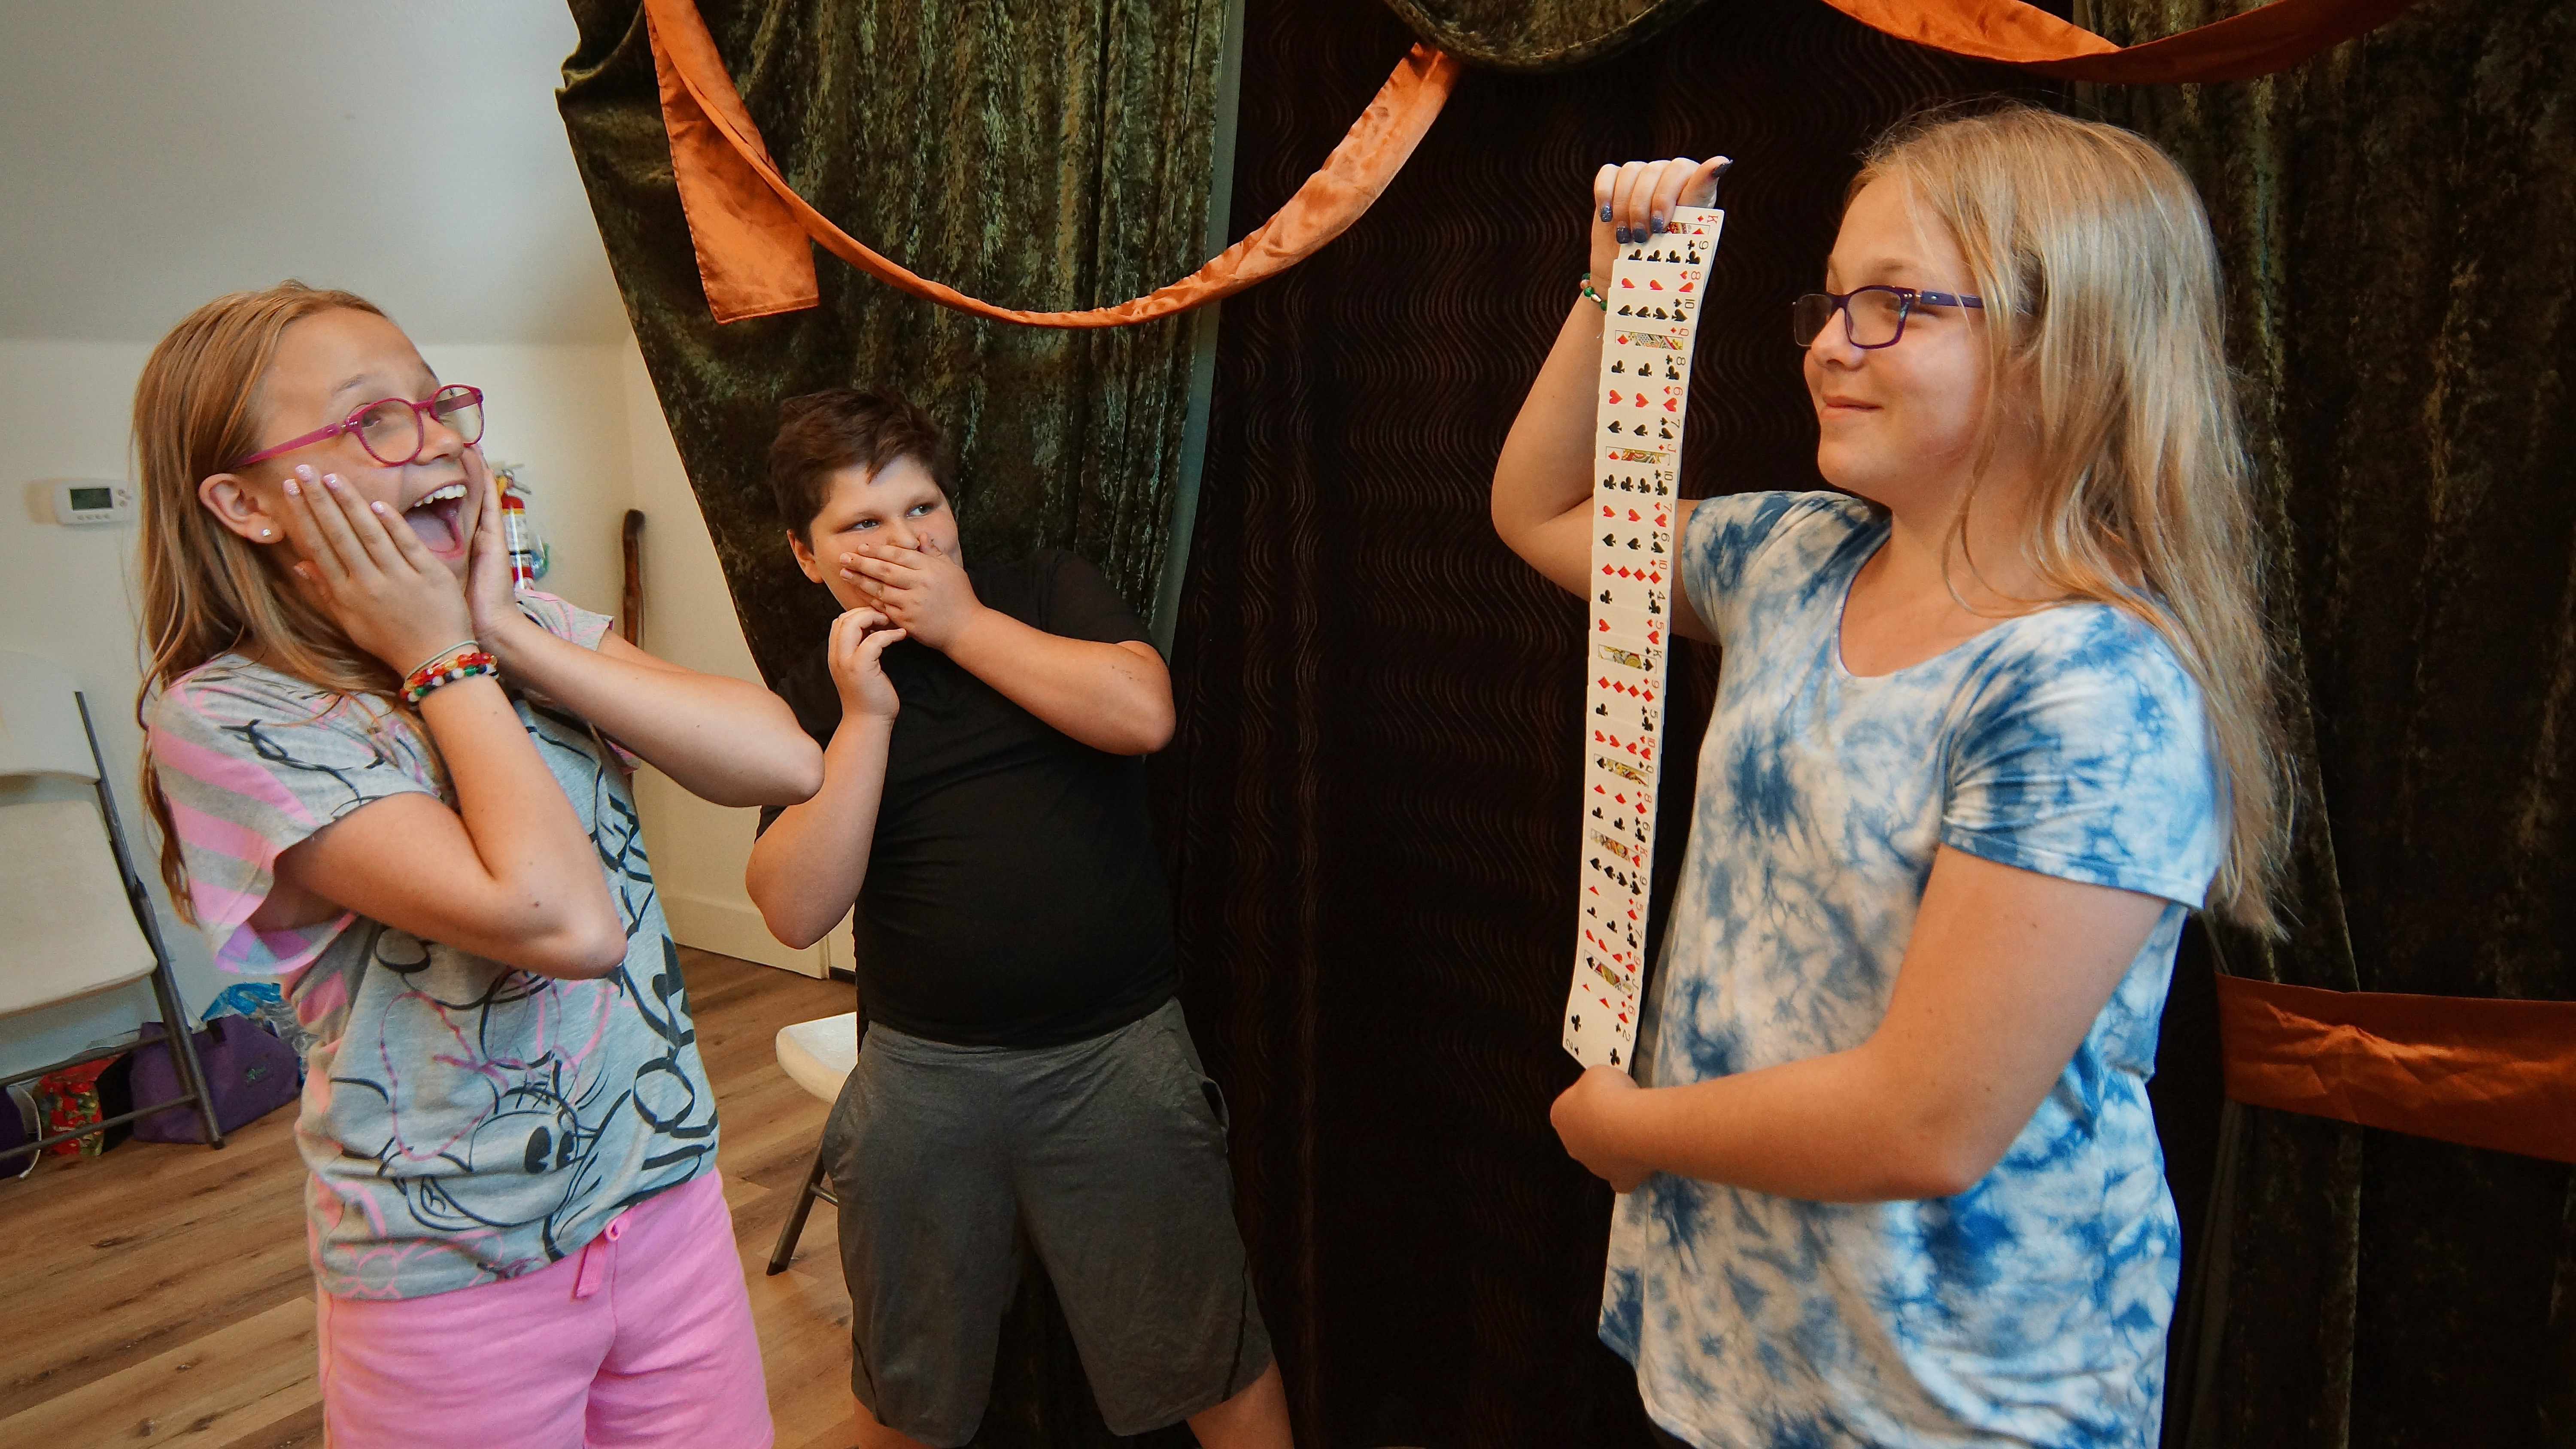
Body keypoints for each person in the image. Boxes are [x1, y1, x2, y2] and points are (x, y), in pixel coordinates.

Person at [1491, 106, 2288, 1447]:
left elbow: (1928, 1124)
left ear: (2061, 342)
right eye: (1830, 301)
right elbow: (1544, 512)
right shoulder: (1793, 558)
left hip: (1951, 1394)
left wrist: (1640, 1130)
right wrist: (1609, 288)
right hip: (1736, 1332)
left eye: (1893, 307)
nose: (1826, 345)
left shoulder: (2091, 686)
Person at [135, 282, 824, 1449]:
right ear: (244, 502)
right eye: (373, 418)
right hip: (453, 1279)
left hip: (665, 1202)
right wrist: (445, 659)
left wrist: (502, 632)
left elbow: (785, 759)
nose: (437, 440)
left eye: (437, 402)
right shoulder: (231, 717)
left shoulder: (522, 625)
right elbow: (564, 922)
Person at [743, 388, 1290, 1449]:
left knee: (1211, 1357)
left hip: (1116, 1055)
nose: (907, 539)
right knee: (907, 1389)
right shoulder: (819, 686)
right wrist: (865, 719)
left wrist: (963, 625)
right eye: (863, 523)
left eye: (923, 507)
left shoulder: (1044, 588)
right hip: (923, 1078)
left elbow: (1144, 713)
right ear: (806, 557)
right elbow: (795, 907)